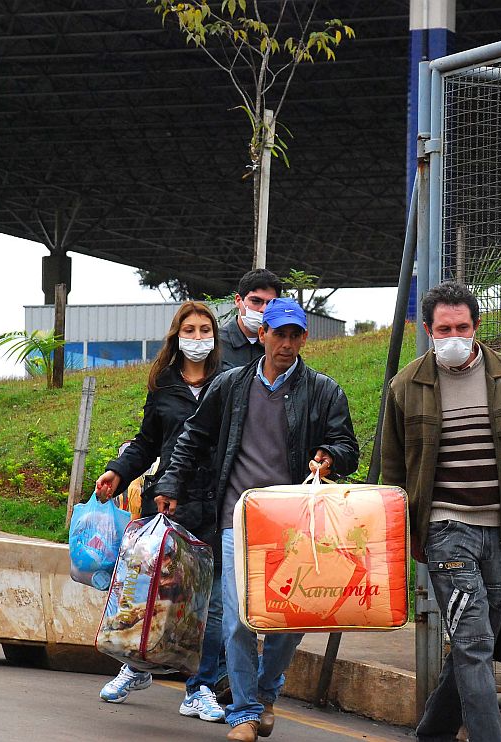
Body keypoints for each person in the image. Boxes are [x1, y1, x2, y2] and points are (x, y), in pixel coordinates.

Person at [153, 297, 359, 742]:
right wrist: (169, 485)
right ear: (262, 334)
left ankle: (266, 691)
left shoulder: (324, 391)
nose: (286, 343)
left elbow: (346, 445)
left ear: (305, 338)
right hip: (237, 520)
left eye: (294, 335)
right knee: (238, 619)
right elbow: (193, 438)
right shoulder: (229, 385)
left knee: (291, 621)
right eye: (278, 334)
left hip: (295, 528)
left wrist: (330, 455)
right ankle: (244, 712)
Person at [381, 281, 501, 742]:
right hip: (445, 530)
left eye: (462, 327)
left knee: (477, 648)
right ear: (427, 330)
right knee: (471, 644)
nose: (454, 335)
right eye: (444, 328)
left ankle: (431, 735)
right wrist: (400, 535)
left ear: (477, 326)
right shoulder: (406, 385)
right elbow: (394, 469)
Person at [93, 301, 227, 722]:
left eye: (206, 329)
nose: (198, 337)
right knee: (154, 593)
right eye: (190, 329)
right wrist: (117, 471)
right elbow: (147, 442)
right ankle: (136, 666)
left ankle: (200, 687)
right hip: (166, 503)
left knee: (212, 602)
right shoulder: (162, 385)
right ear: (176, 335)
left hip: (216, 504)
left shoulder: (229, 384)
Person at [218, 269, 282, 371]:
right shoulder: (216, 343)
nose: (263, 309)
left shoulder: (280, 344)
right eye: (256, 301)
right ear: (238, 301)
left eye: (270, 303)